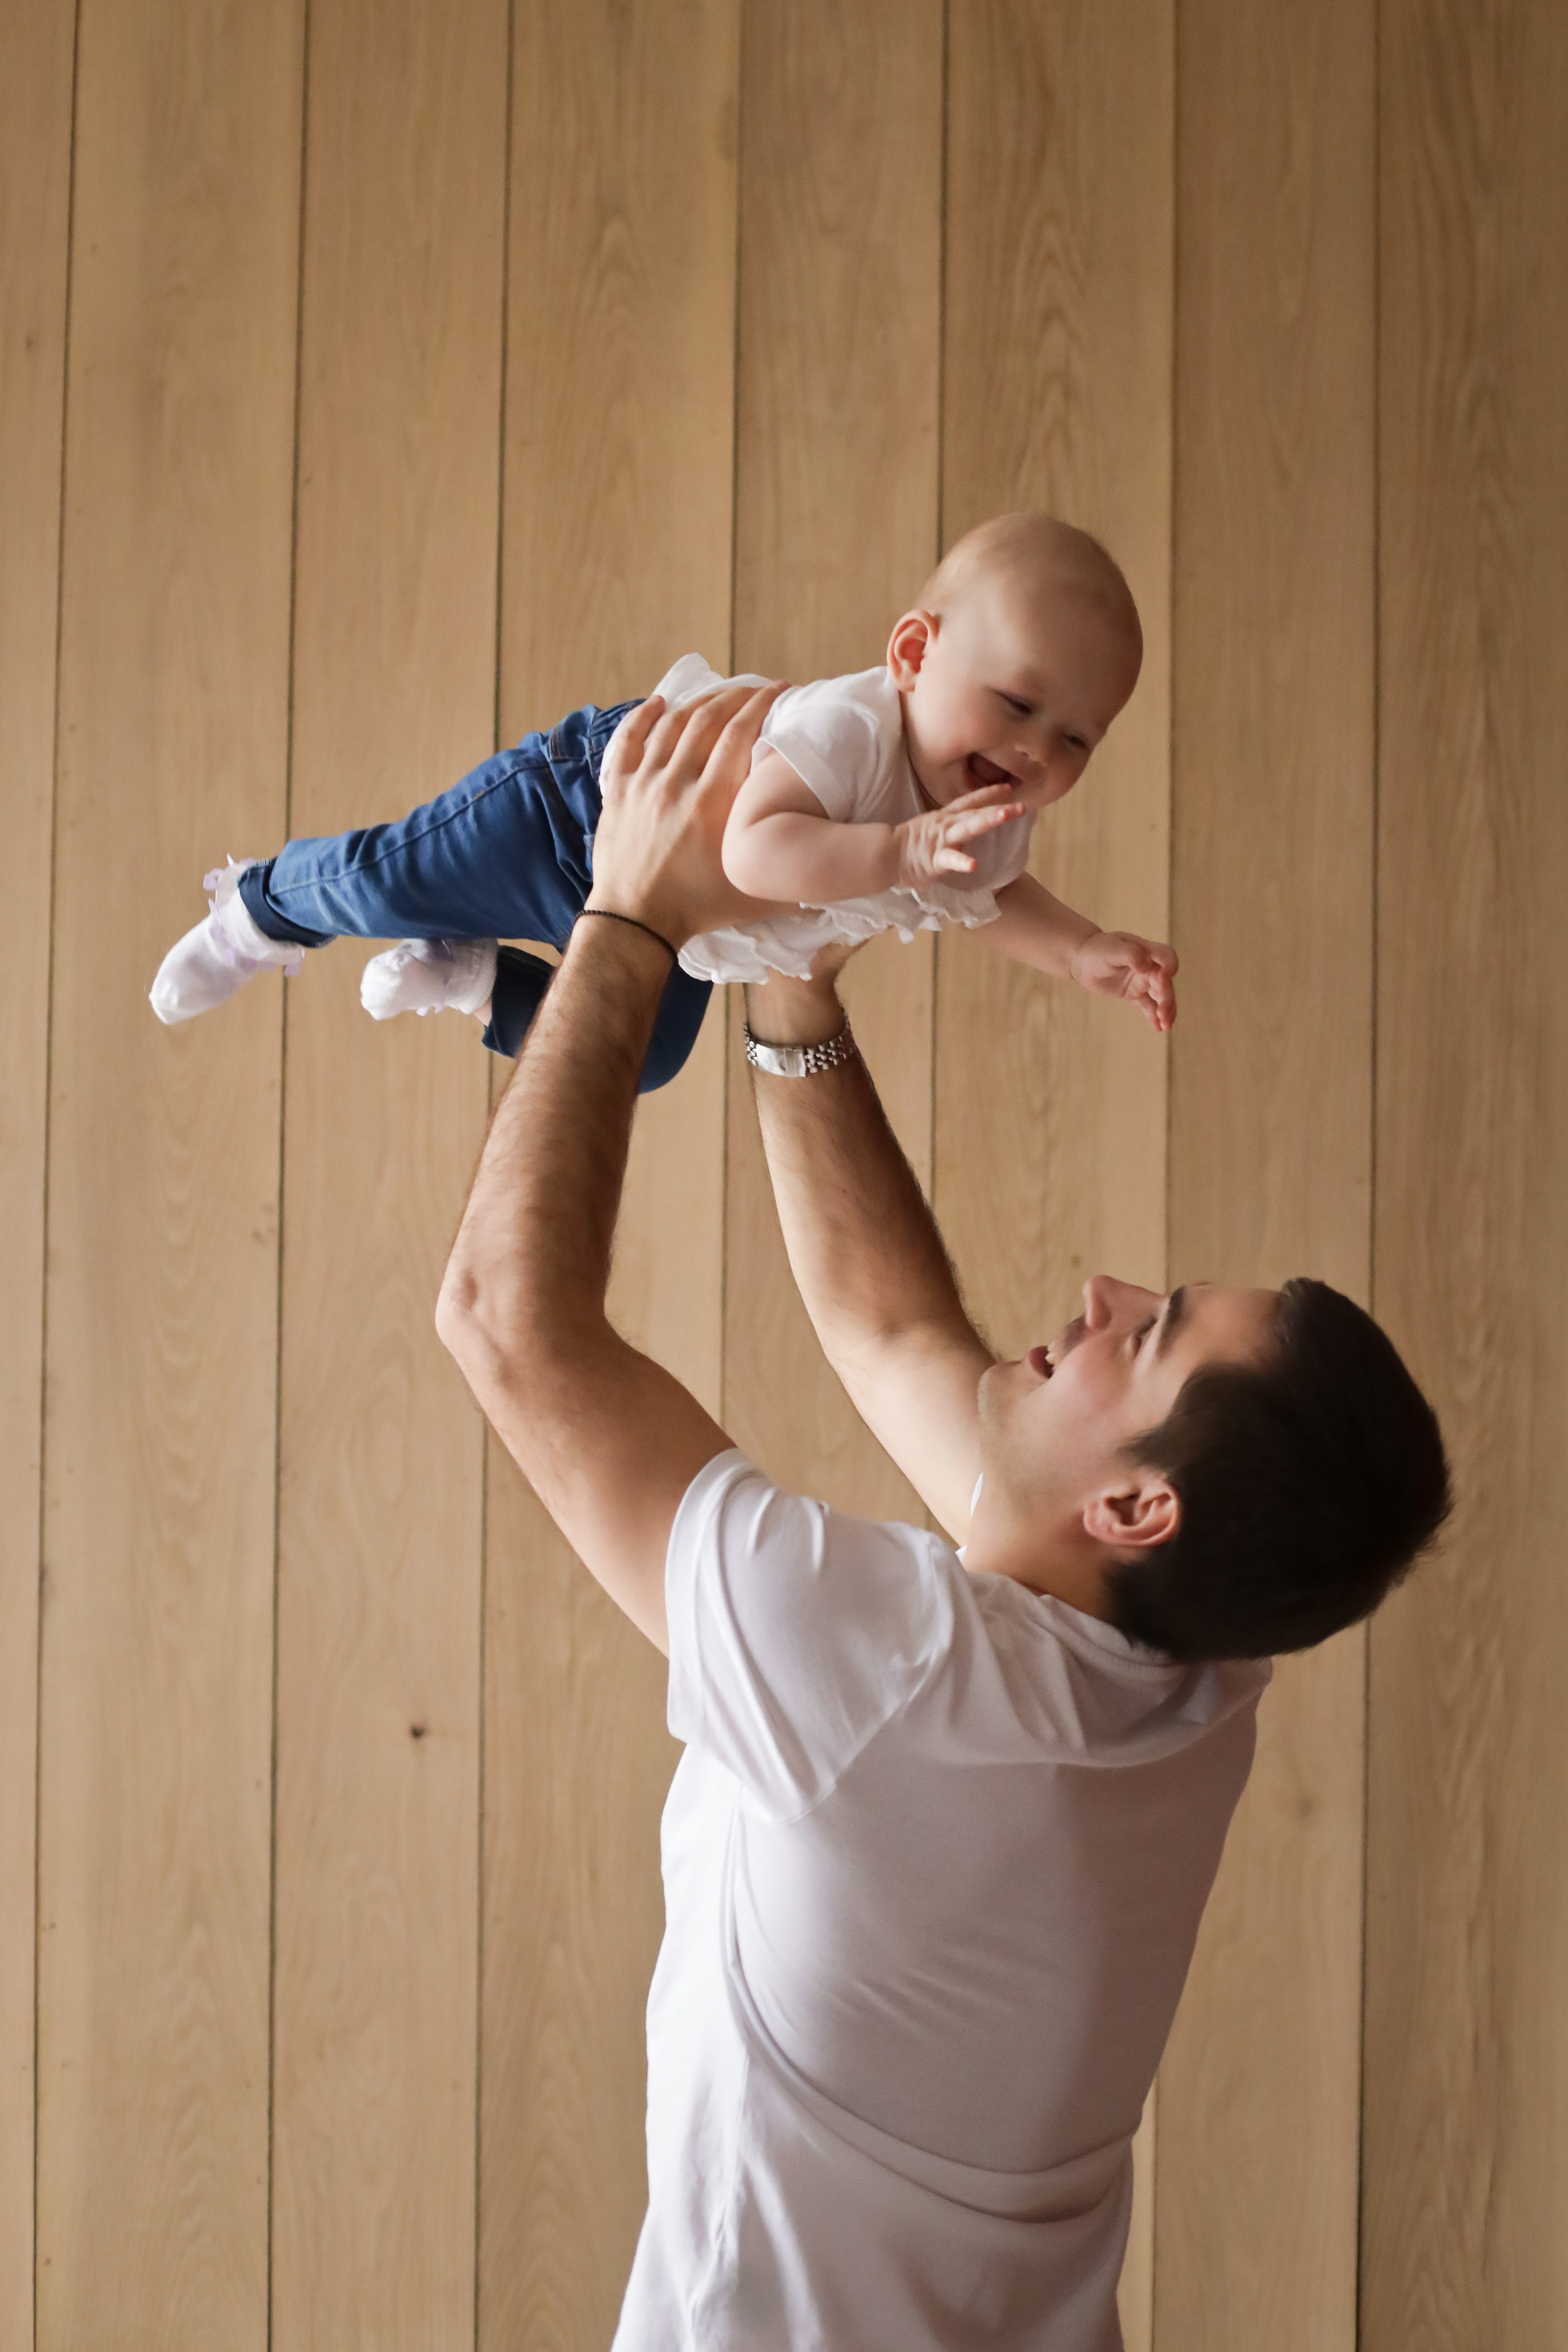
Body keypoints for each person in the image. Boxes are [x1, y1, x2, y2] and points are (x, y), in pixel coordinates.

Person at [435, 683, 1449, 2350]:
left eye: (1161, 1327)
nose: (1111, 1292)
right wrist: (796, 973)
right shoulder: (1192, 1677)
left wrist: (627, 914)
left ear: (1133, 1501)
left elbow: (504, 1318)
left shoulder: (897, 1680)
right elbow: (902, 1339)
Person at [148, 515, 1177, 1085]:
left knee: (640, 1060)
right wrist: (900, 855)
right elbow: (757, 855)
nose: (1036, 751)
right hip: (583, 816)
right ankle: (262, 908)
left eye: (1077, 737)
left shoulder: (982, 814)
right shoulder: (850, 732)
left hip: (680, 925)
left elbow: (994, 894)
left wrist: (1085, 950)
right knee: (388, 880)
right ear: (913, 653)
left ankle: (472, 982)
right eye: (1018, 705)